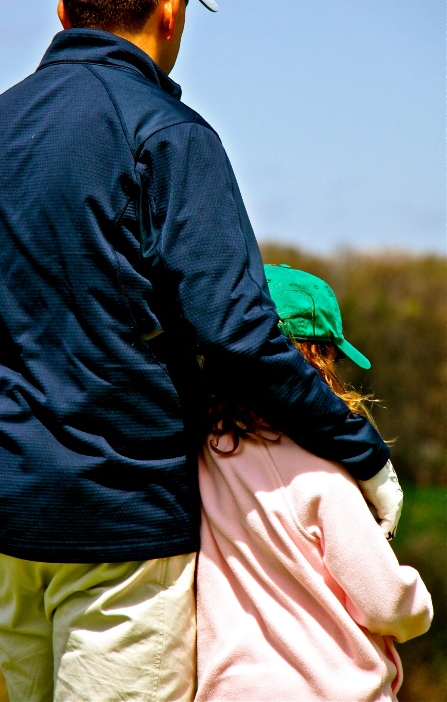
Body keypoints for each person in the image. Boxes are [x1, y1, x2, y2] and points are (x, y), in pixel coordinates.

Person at [0, 0, 402, 701]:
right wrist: (361, 451)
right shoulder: (167, 136)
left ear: (63, 10)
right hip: (119, 525)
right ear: (172, 6)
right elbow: (238, 334)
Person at [196, 263, 432, 702]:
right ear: (316, 363)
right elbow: (383, 600)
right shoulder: (321, 472)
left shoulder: (200, 457)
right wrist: (418, 606)